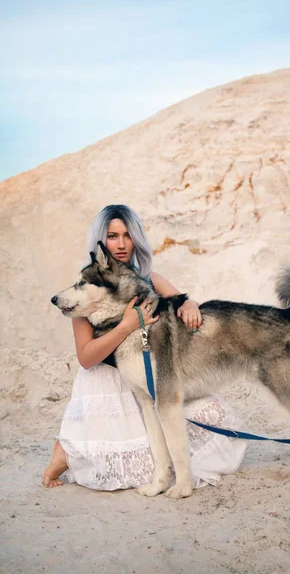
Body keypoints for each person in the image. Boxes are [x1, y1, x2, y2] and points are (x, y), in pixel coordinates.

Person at [43, 204, 247, 491]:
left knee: (213, 414)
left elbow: (182, 299)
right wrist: (127, 325)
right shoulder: (87, 289)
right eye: (112, 236)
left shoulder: (146, 277)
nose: (122, 244)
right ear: (101, 241)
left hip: (150, 379)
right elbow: (87, 358)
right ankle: (64, 450)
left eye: (128, 235)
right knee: (124, 463)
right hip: (107, 382)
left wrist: (189, 304)